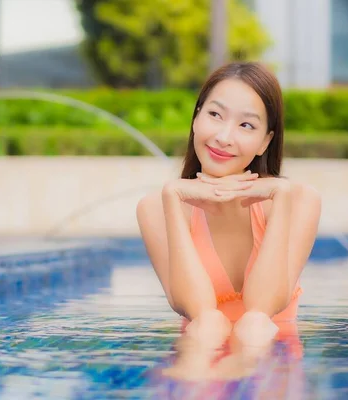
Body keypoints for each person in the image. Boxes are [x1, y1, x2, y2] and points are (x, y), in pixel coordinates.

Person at [136, 62, 321, 383]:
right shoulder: (155, 207)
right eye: (215, 115)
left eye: (246, 126)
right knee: (208, 323)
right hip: (198, 357)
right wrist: (173, 196)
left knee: (255, 324)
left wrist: (279, 194)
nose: (223, 137)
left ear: (266, 141)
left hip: (272, 363)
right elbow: (194, 307)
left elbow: (264, 306)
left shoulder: (299, 200)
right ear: (195, 119)